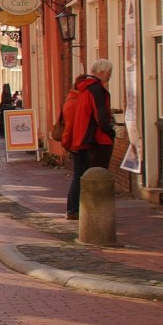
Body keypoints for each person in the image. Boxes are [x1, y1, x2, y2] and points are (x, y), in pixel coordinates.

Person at [61, 59, 115, 220]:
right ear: (103, 72)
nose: (109, 77)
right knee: (94, 176)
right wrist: (110, 131)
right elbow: (100, 114)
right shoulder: (95, 89)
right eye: (109, 74)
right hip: (92, 139)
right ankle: (90, 210)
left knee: (80, 175)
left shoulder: (82, 89)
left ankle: (74, 209)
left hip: (79, 138)